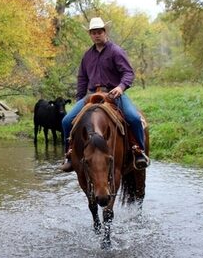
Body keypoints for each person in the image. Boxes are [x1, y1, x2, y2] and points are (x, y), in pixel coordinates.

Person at [59, 17, 149, 172]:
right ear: (90, 34)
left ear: (104, 32)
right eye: (93, 33)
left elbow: (128, 73)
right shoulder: (87, 56)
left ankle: (138, 151)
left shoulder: (116, 51)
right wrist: (80, 98)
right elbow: (82, 78)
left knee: (133, 118)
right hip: (92, 94)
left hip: (114, 94)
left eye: (99, 32)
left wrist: (120, 88)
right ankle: (70, 154)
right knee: (67, 121)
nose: (96, 35)